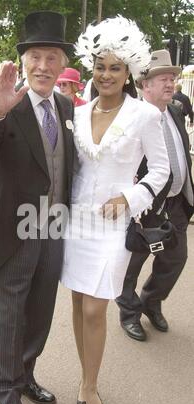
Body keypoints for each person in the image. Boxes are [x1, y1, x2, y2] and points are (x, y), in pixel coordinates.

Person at [0, 11, 75, 404]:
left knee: (39, 315)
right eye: (35, 56)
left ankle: (26, 374)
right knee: (8, 320)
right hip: (13, 235)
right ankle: (8, 398)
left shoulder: (66, 106)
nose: (43, 66)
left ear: (60, 62)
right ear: (23, 62)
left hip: (53, 232)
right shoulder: (3, 99)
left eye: (51, 56)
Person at [60, 17, 170, 404]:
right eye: (100, 66)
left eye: (115, 68)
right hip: (76, 223)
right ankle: (85, 378)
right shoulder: (80, 110)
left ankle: (90, 387)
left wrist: (129, 197)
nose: (106, 75)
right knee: (76, 302)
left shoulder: (145, 115)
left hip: (114, 224)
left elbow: (160, 171)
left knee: (94, 306)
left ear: (129, 72)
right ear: (92, 67)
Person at [116, 50, 194, 341]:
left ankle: (151, 301)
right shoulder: (132, 118)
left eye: (172, 77)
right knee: (131, 266)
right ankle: (129, 313)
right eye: (163, 78)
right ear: (144, 85)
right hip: (145, 207)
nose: (170, 82)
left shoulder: (174, 110)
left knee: (175, 260)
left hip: (176, 205)